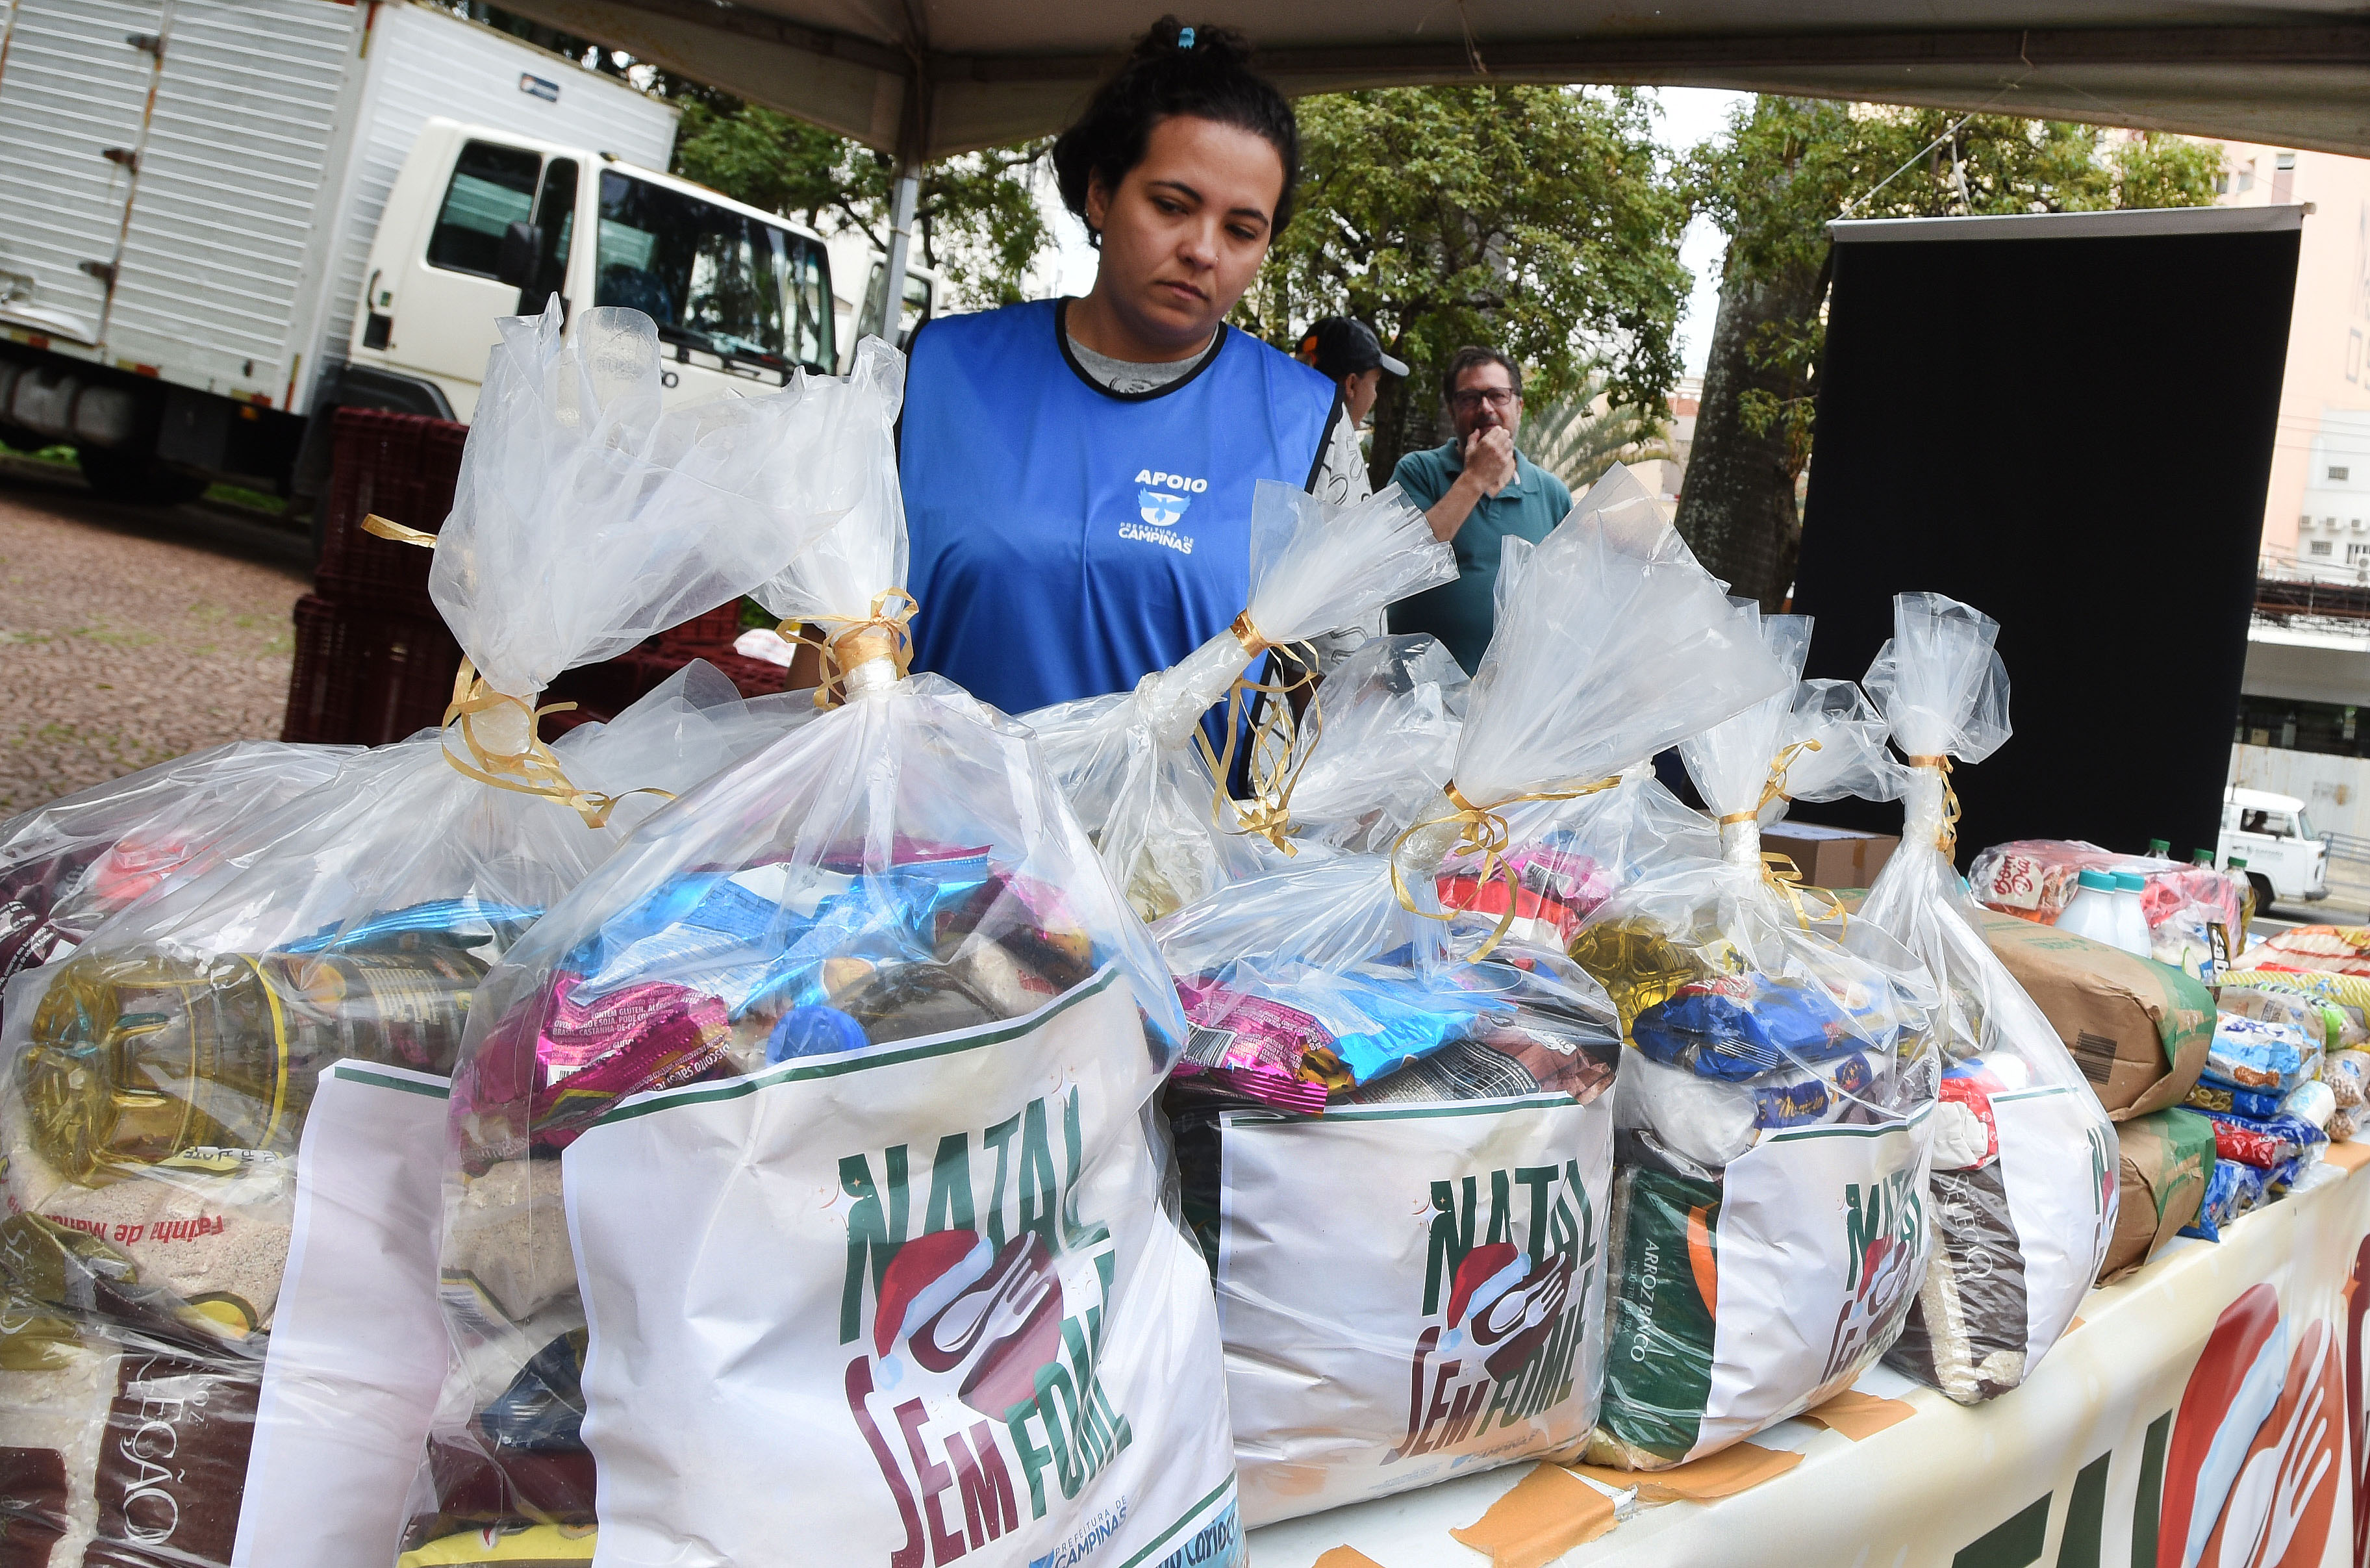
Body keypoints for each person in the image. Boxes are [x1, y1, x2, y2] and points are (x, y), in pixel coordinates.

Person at [892, 19, 1368, 719]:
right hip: (936, 827)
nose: (1203, 250)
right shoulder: (936, 372)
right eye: (1172, 206)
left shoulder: (1307, 426)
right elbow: (832, 636)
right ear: (1100, 194)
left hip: (1181, 833)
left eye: (1242, 229)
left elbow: (1350, 687)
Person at [1385, 346, 1574, 674]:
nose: (1485, 408)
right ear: (1452, 409)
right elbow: (1404, 561)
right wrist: (1475, 478)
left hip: (1513, 701)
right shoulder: (1418, 471)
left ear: (1519, 406)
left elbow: (1569, 596)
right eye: (1469, 398)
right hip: (1420, 694)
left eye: (1497, 396)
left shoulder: (1551, 494)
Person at [1294, 316, 1405, 504]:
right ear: (1351, 384)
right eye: (1375, 383)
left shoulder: (1285, 426)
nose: (1375, 396)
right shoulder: (1336, 438)